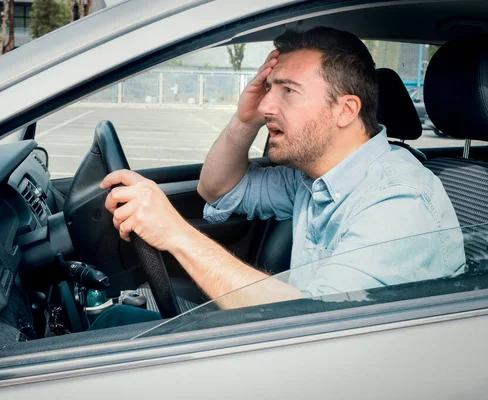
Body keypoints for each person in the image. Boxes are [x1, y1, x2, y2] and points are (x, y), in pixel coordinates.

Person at [99, 27, 465, 313]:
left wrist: (175, 233)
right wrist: (244, 122)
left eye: (288, 91)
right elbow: (217, 190)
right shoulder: (312, 177)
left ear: (346, 110)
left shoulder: (398, 201)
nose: (267, 106)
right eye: (268, 88)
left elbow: (313, 323)